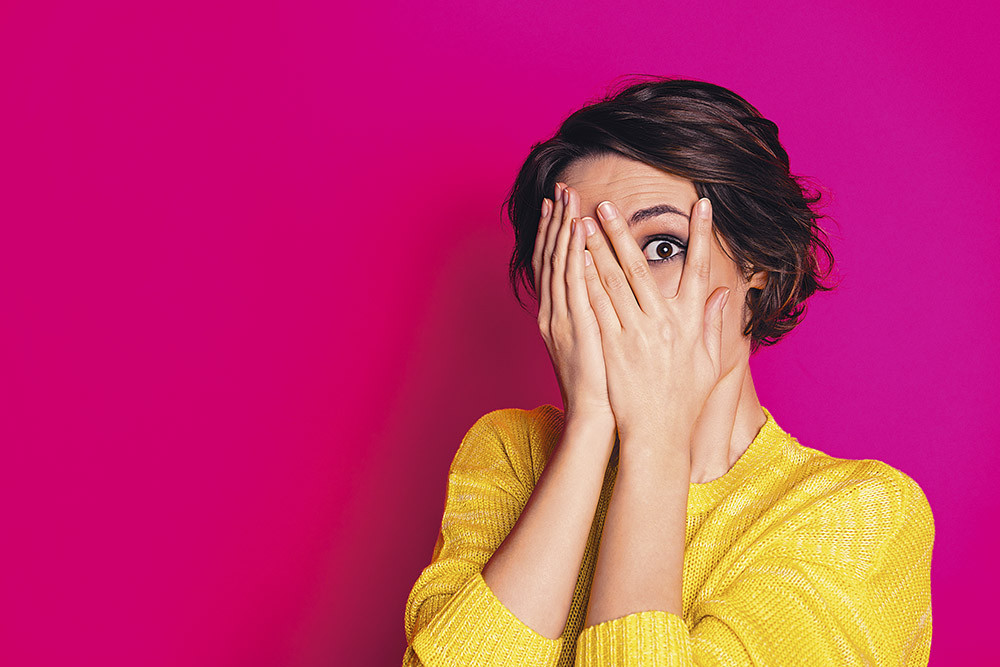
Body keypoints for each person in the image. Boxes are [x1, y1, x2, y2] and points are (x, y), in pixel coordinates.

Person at [401, 77, 934, 666]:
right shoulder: (512, 451)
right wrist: (589, 425)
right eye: (582, 257)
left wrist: (656, 437)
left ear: (755, 264)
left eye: (661, 247)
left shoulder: (859, 516)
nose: (616, 287)